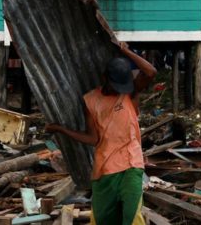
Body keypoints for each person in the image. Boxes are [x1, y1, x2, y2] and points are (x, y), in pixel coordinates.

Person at [46, 42, 157, 225]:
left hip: (131, 164)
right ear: (105, 78)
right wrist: (61, 129)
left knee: (133, 217)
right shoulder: (91, 100)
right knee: (102, 219)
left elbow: (151, 72)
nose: (118, 90)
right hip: (105, 168)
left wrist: (125, 50)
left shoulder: (131, 92)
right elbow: (93, 138)